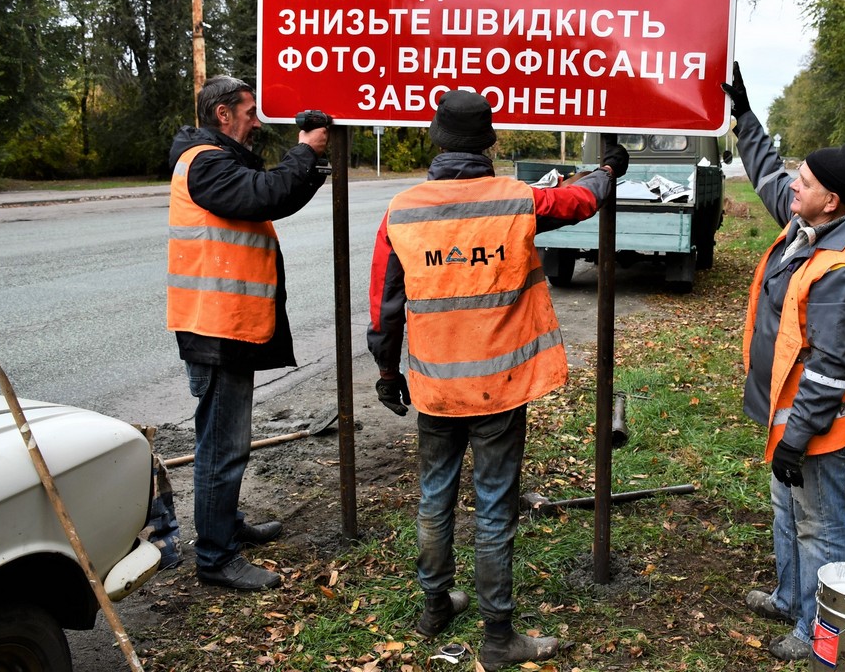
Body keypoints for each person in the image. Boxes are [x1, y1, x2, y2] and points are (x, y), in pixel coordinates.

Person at [366, 89, 628, 671]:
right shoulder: (517, 200)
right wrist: (609, 169)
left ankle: (436, 605)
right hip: (501, 387)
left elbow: (385, 304)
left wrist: (388, 371)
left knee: (434, 499)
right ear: (488, 142)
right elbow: (578, 201)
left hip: (435, 387)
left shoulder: (402, 209)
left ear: (436, 140)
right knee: (493, 506)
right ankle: (498, 635)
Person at [721, 63, 845, 661]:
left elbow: (828, 370)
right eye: (797, 178)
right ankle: (788, 596)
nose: (791, 187)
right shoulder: (812, 225)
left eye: (804, 181)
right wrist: (744, 116)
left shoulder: (842, 271)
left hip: (817, 422)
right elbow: (769, 175)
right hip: (790, 414)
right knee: (787, 508)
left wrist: (797, 439)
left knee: (820, 523)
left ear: (833, 199)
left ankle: (816, 632)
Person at [167, 75, 329, 591]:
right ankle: (216, 557)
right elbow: (268, 194)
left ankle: (225, 525)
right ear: (223, 114)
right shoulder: (204, 164)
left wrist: (310, 159)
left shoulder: (219, 159)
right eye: (251, 112)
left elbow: (278, 192)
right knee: (222, 446)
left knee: (227, 440)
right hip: (214, 328)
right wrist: (304, 152)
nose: (257, 121)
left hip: (228, 325)